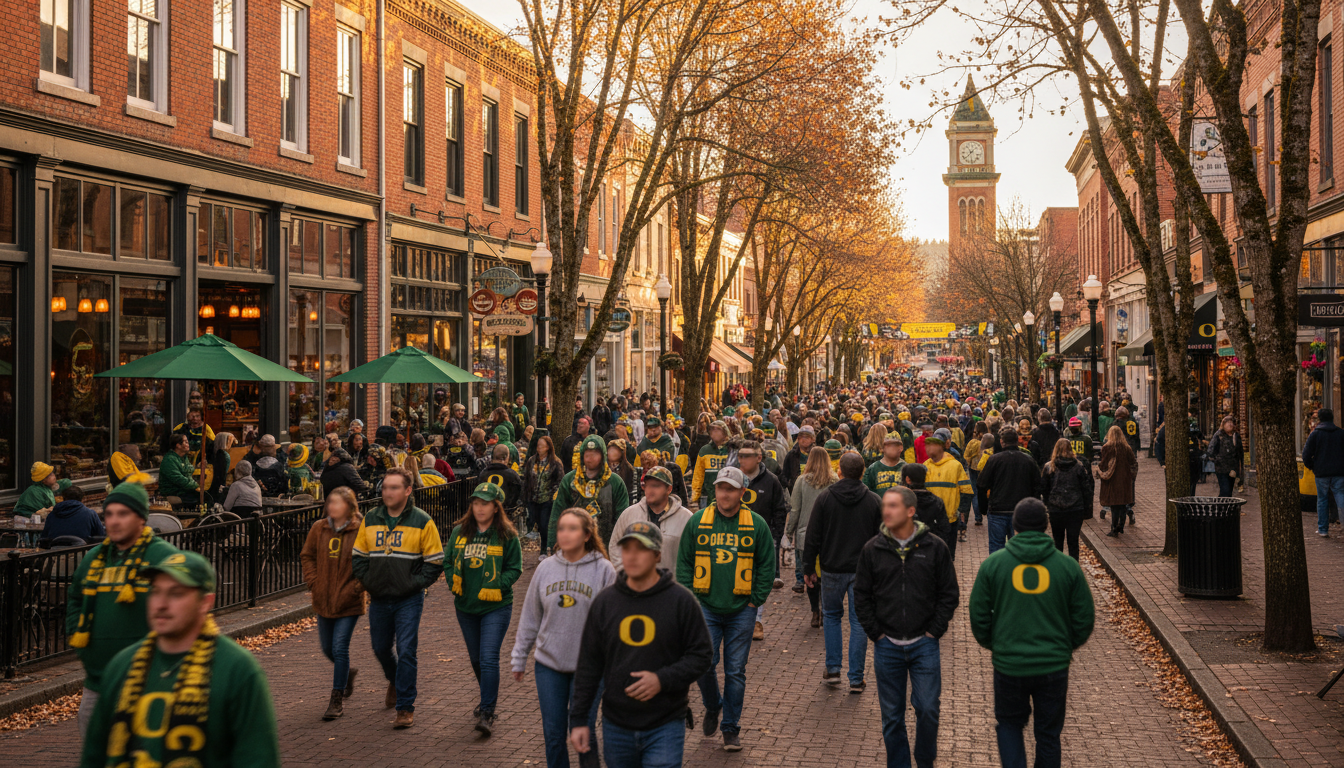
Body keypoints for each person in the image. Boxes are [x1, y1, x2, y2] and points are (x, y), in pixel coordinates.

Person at [78, 551, 280, 768]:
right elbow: (94, 756)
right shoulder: (122, 665)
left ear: (205, 602)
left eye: (176, 593)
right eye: (155, 591)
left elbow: (258, 759)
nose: (161, 604)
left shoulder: (237, 670)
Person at [570, 521, 712, 767]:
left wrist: (662, 680)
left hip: (665, 724)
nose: (632, 556)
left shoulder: (681, 601)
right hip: (617, 725)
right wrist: (579, 719)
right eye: (627, 549)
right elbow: (589, 665)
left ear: (657, 555)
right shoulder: (605, 603)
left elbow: (701, 655)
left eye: (641, 549)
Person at [969, 498, 1095, 768]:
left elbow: (978, 615)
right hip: (1053, 664)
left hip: (1009, 663)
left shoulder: (993, 565)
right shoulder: (1067, 566)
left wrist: (997, 643)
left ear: (1015, 526)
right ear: (1046, 526)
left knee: (1009, 725)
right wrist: (1064, 645)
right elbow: (1084, 618)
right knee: (1048, 734)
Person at [855, 485, 960, 768]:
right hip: (887, 645)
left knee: (928, 709)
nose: (886, 511)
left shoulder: (935, 547)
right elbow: (861, 595)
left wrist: (934, 630)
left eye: (893, 506)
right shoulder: (872, 549)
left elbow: (949, 593)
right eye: (885, 506)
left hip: (923, 644)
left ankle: (925, 760)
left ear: (911, 511)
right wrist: (875, 632)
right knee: (892, 718)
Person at [66, 481, 179, 737]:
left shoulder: (163, 558)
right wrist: (79, 641)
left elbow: (181, 614)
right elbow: (75, 598)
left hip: (147, 684)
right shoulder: (93, 558)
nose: (113, 521)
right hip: (98, 682)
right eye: (109, 514)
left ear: (141, 518)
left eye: (123, 514)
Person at [675, 466, 775, 751]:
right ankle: (712, 704)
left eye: (730, 489)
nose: (724, 494)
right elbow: (684, 562)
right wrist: (690, 599)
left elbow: (767, 563)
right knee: (704, 664)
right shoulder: (697, 522)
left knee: (735, 671)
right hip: (705, 606)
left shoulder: (756, 524)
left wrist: (756, 599)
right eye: (720, 488)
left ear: (742, 493)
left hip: (742, 609)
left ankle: (731, 728)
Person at [512, 509, 617, 768]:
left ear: (587, 534)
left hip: (589, 668)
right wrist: (519, 656)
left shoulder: (604, 570)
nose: (565, 534)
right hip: (549, 665)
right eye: (561, 528)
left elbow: (613, 622)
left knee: (583, 732)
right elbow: (531, 616)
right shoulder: (545, 568)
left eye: (572, 528)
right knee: (554, 735)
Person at [352, 466, 445, 729]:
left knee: (406, 650)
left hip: (409, 599)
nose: (387, 492)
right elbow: (358, 557)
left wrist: (414, 584)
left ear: (407, 490)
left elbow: (435, 561)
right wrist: (369, 582)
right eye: (385, 487)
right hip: (380, 598)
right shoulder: (371, 518)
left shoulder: (422, 520)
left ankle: (405, 706)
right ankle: (394, 679)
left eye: (394, 487)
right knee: (381, 648)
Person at [446, 482, 523, 736]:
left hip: (497, 606)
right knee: (477, 659)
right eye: (476, 503)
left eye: (485, 504)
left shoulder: (507, 535)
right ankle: (486, 697)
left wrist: (496, 585)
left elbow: (515, 568)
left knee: (489, 658)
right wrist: (453, 582)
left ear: (496, 507)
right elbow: (448, 562)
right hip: (466, 606)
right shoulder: (459, 532)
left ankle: (488, 712)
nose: (480, 508)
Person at [803, 453, 883, 694]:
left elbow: (813, 534)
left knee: (831, 616)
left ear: (839, 470)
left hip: (832, 568)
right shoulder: (873, 501)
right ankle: (856, 677)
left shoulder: (826, 498)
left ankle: (833, 669)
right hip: (862, 569)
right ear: (862, 472)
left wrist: (808, 568)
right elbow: (881, 538)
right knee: (859, 622)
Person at [300, 486, 365, 720]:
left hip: (349, 601)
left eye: (337, 503)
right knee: (328, 648)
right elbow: (307, 555)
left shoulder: (361, 530)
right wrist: (314, 582)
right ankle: (347, 673)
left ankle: (336, 699)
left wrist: (356, 588)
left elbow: (368, 562)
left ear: (349, 506)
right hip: (323, 597)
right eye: (330, 503)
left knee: (339, 647)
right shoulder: (320, 528)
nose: (332, 507)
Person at [550, 435, 631, 551]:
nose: (590, 458)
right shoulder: (569, 481)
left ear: (603, 456)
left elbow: (622, 518)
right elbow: (557, 513)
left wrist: (620, 548)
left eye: (594, 454)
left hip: (606, 547)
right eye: (587, 454)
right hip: (573, 547)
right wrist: (552, 543)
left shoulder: (615, 482)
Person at [610, 465, 692, 571]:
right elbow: (614, 545)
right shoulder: (629, 514)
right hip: (636, 584)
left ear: (669, 489)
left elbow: (693, 555)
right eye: (647, 485)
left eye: (656, 486)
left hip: (671, 584)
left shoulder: (686, 518)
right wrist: (625, 573)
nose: (650, 490)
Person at [787, 446, 834, 625]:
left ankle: (815, 611)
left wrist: (789, 532)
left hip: (805, 535)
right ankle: (825, 608)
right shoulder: (834, 480)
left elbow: (795, 509)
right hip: (828, 536)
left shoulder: (801, 481)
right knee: (826, 574)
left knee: (810, 574)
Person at [975, 429, 1041, 554]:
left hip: (998, 510)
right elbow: (1038, 485)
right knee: (1020, 548)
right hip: (1021, 512)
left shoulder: (994, 460)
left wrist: (983, 507)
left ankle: (997, 572)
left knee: (996, 547)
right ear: (1017, 442)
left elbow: (981, 484)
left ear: (1001, 442)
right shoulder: (1028, 460)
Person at [1040, 439, 1093, 560]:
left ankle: (1059, 567)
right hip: (1075, 508)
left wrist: (1048, 502)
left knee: (1058, 541)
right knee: (1073, 541)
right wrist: (1086, 507)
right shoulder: (1079, 466)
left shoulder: (1049, 467)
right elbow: (1086, 488)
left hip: (1056, 508)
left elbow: (1044, 488)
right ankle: (1073, 568)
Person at [922, 433, 971, 559]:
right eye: (927, 445)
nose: (929, 449)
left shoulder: (955, 466)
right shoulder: (925, 466)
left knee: (947, 557)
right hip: (929, 521)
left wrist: (960, 511)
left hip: (950, 520)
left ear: (942, 446)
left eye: (933, 445)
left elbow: (966, 491)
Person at [1303, 408, 1344, 537]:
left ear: (1320, 419)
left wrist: (1313, 467)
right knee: (1341, 497)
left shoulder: (1315, 434)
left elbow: (1306, 455)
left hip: (1321, 473)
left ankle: (1323, 529)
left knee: (1322, 500)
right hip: (1339, 471)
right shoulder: (1341, 433)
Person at [523, 435, 566, 549]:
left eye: (542, 446)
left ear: (548, 447)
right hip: (533, 498)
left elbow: (560, 481)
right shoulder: (531, 461)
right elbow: (526, 479)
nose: (539, 448)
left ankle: (544, 548)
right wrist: (526, 496)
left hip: (547, 500)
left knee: (544, 524)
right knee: (533, 521)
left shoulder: (556, 463)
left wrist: (553, 496)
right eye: (538, 445)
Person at [1098, 425, 1139, 536]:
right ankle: (1121, 526)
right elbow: (1134, 463)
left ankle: (1114, 528)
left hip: (1112, 480)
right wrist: (1132, 476)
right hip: (1125, 480)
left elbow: (1103, 464)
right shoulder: (1127, 448)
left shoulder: (1107, 447)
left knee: (1114, 505)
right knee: (1122, 504)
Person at [690, 420, 732, 507]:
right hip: (707, 495)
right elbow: (698, 474)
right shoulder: (705, 450)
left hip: (729, 494)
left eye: (718, 429)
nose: (715, 432)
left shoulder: (732, 449)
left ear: (725, 432)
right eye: (712, 430)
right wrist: (695, 495)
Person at [477, 443, 524, 511]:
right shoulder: (512, 475)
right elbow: (519, 494)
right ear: (506, 458)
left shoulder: (483, 474)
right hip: (506, 514)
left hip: (487, 513)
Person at [1207, 416, 1244, 498]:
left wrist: (1240, 469)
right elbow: (1210, 450)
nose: (1230, 424)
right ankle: (1218, 507)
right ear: (1223, 424)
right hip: (1222, 469)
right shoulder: (1219, 435)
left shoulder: (1236, 436)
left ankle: (1226, 509)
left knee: (1229, 492)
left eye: (1232, 423)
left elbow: (1240, 453)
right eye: (1228, 422)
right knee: (1225, 491)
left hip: (1233, 469)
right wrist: (1217, 461)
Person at [158, 433, 200, 503]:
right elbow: (179, 479)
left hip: (185, 491)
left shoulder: (184, 457)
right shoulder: (169, 460)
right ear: (178, 445)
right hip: (174, 492)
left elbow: (189, 472)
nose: (188, 444)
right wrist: (196, 485)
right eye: (185, 442)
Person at [781, 425, 816, 492]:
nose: (803, 439)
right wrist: (789, 485)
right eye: (801, 437)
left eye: (807, 437)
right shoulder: (791, 455)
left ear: (813, 439)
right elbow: (785, 474)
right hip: (795, 491)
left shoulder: (817, 454)